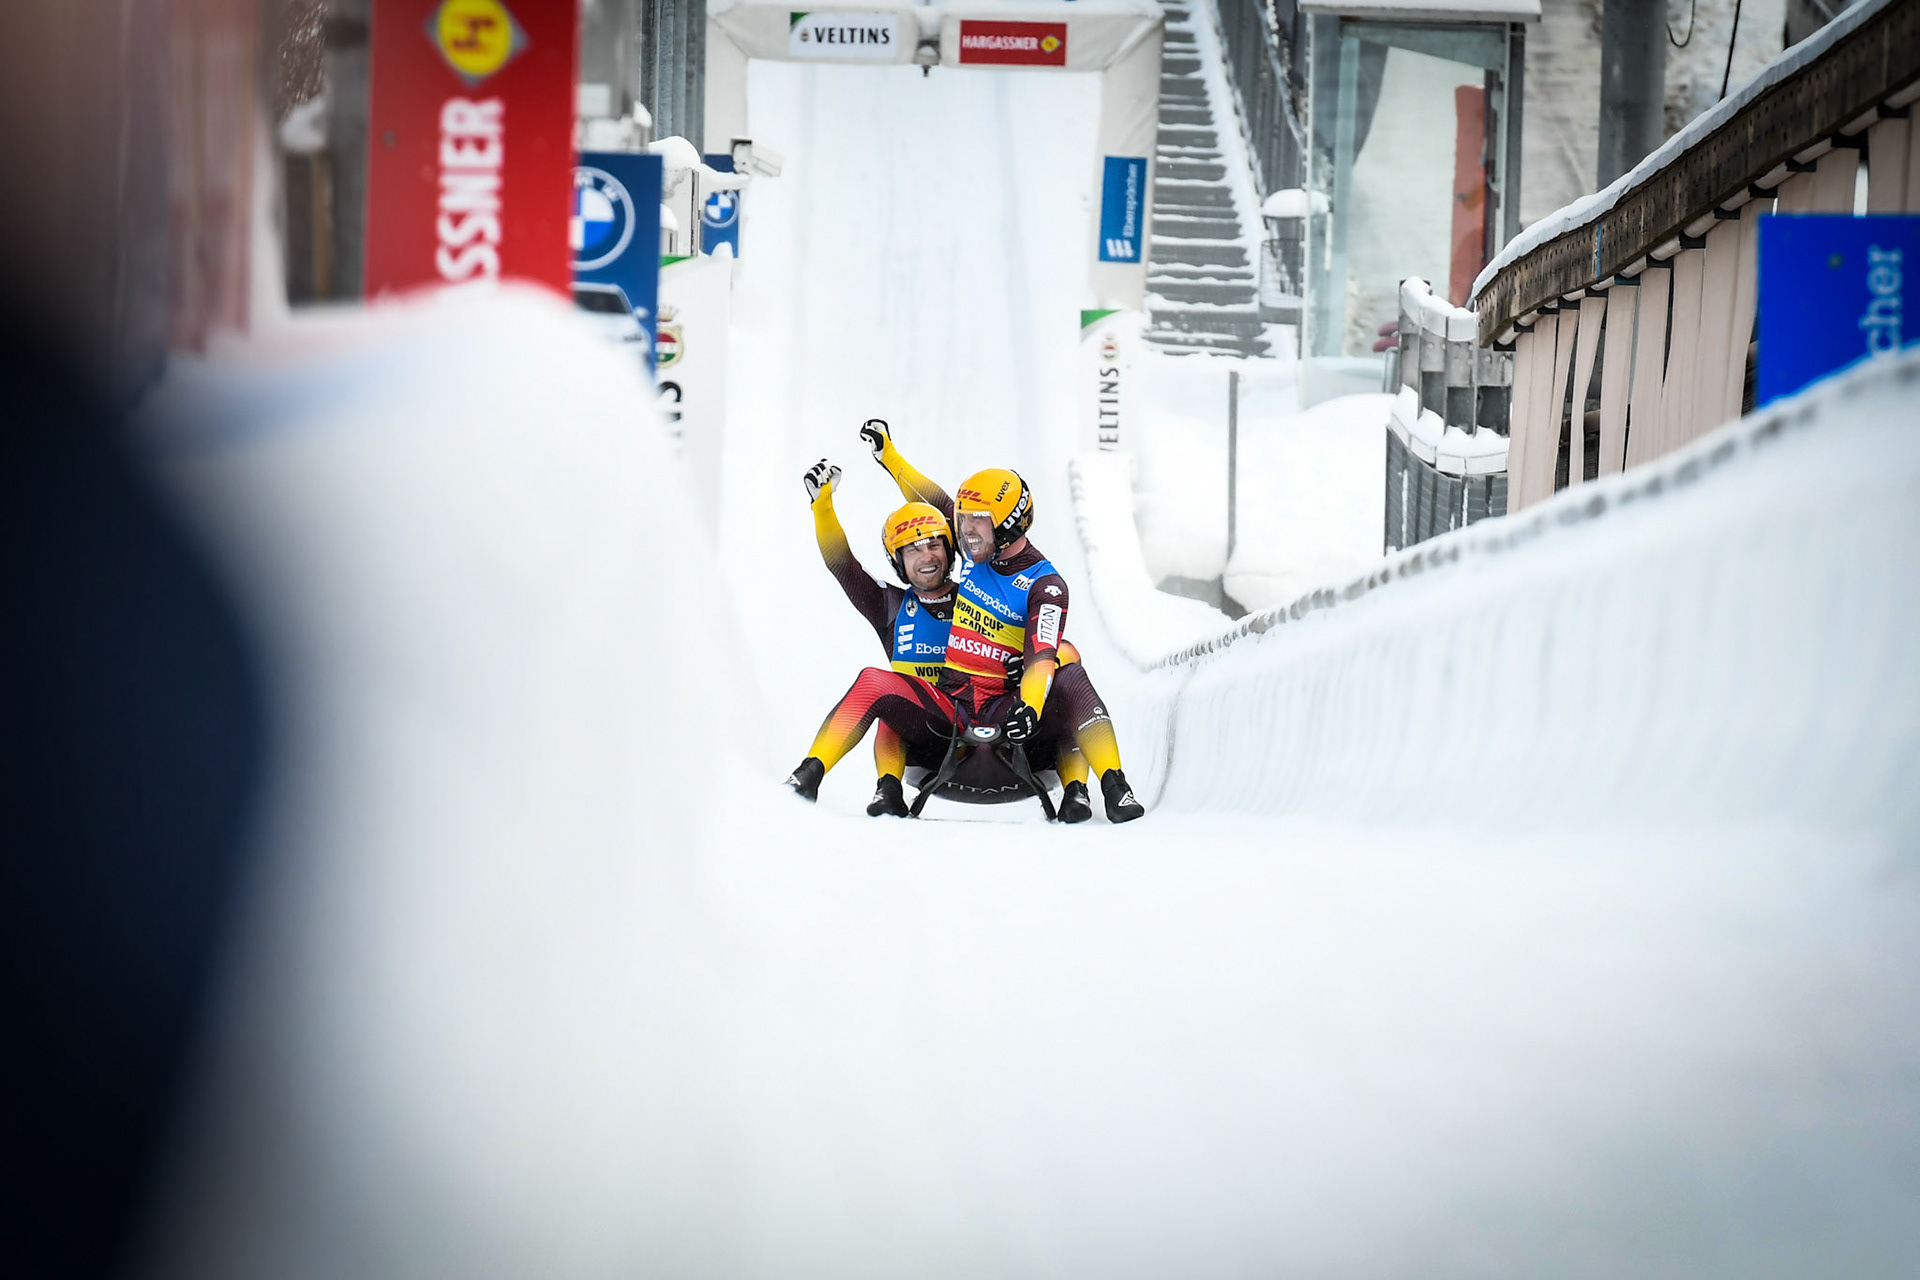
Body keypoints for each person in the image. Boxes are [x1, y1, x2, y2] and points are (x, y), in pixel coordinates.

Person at [790, 420, 1145, 823]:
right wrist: (883, 461)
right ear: (898, 563)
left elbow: (1048, 650)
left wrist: (1029, 697)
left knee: (1070, 673)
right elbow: (913, 519)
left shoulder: (1040, 583)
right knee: (876, 680)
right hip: (944, 714)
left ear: (1006, 526)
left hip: (1005, 712)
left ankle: (1110, 786)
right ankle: (810, 778)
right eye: (913, 551)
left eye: (938, 543)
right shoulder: (929, 581)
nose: (964, 533)